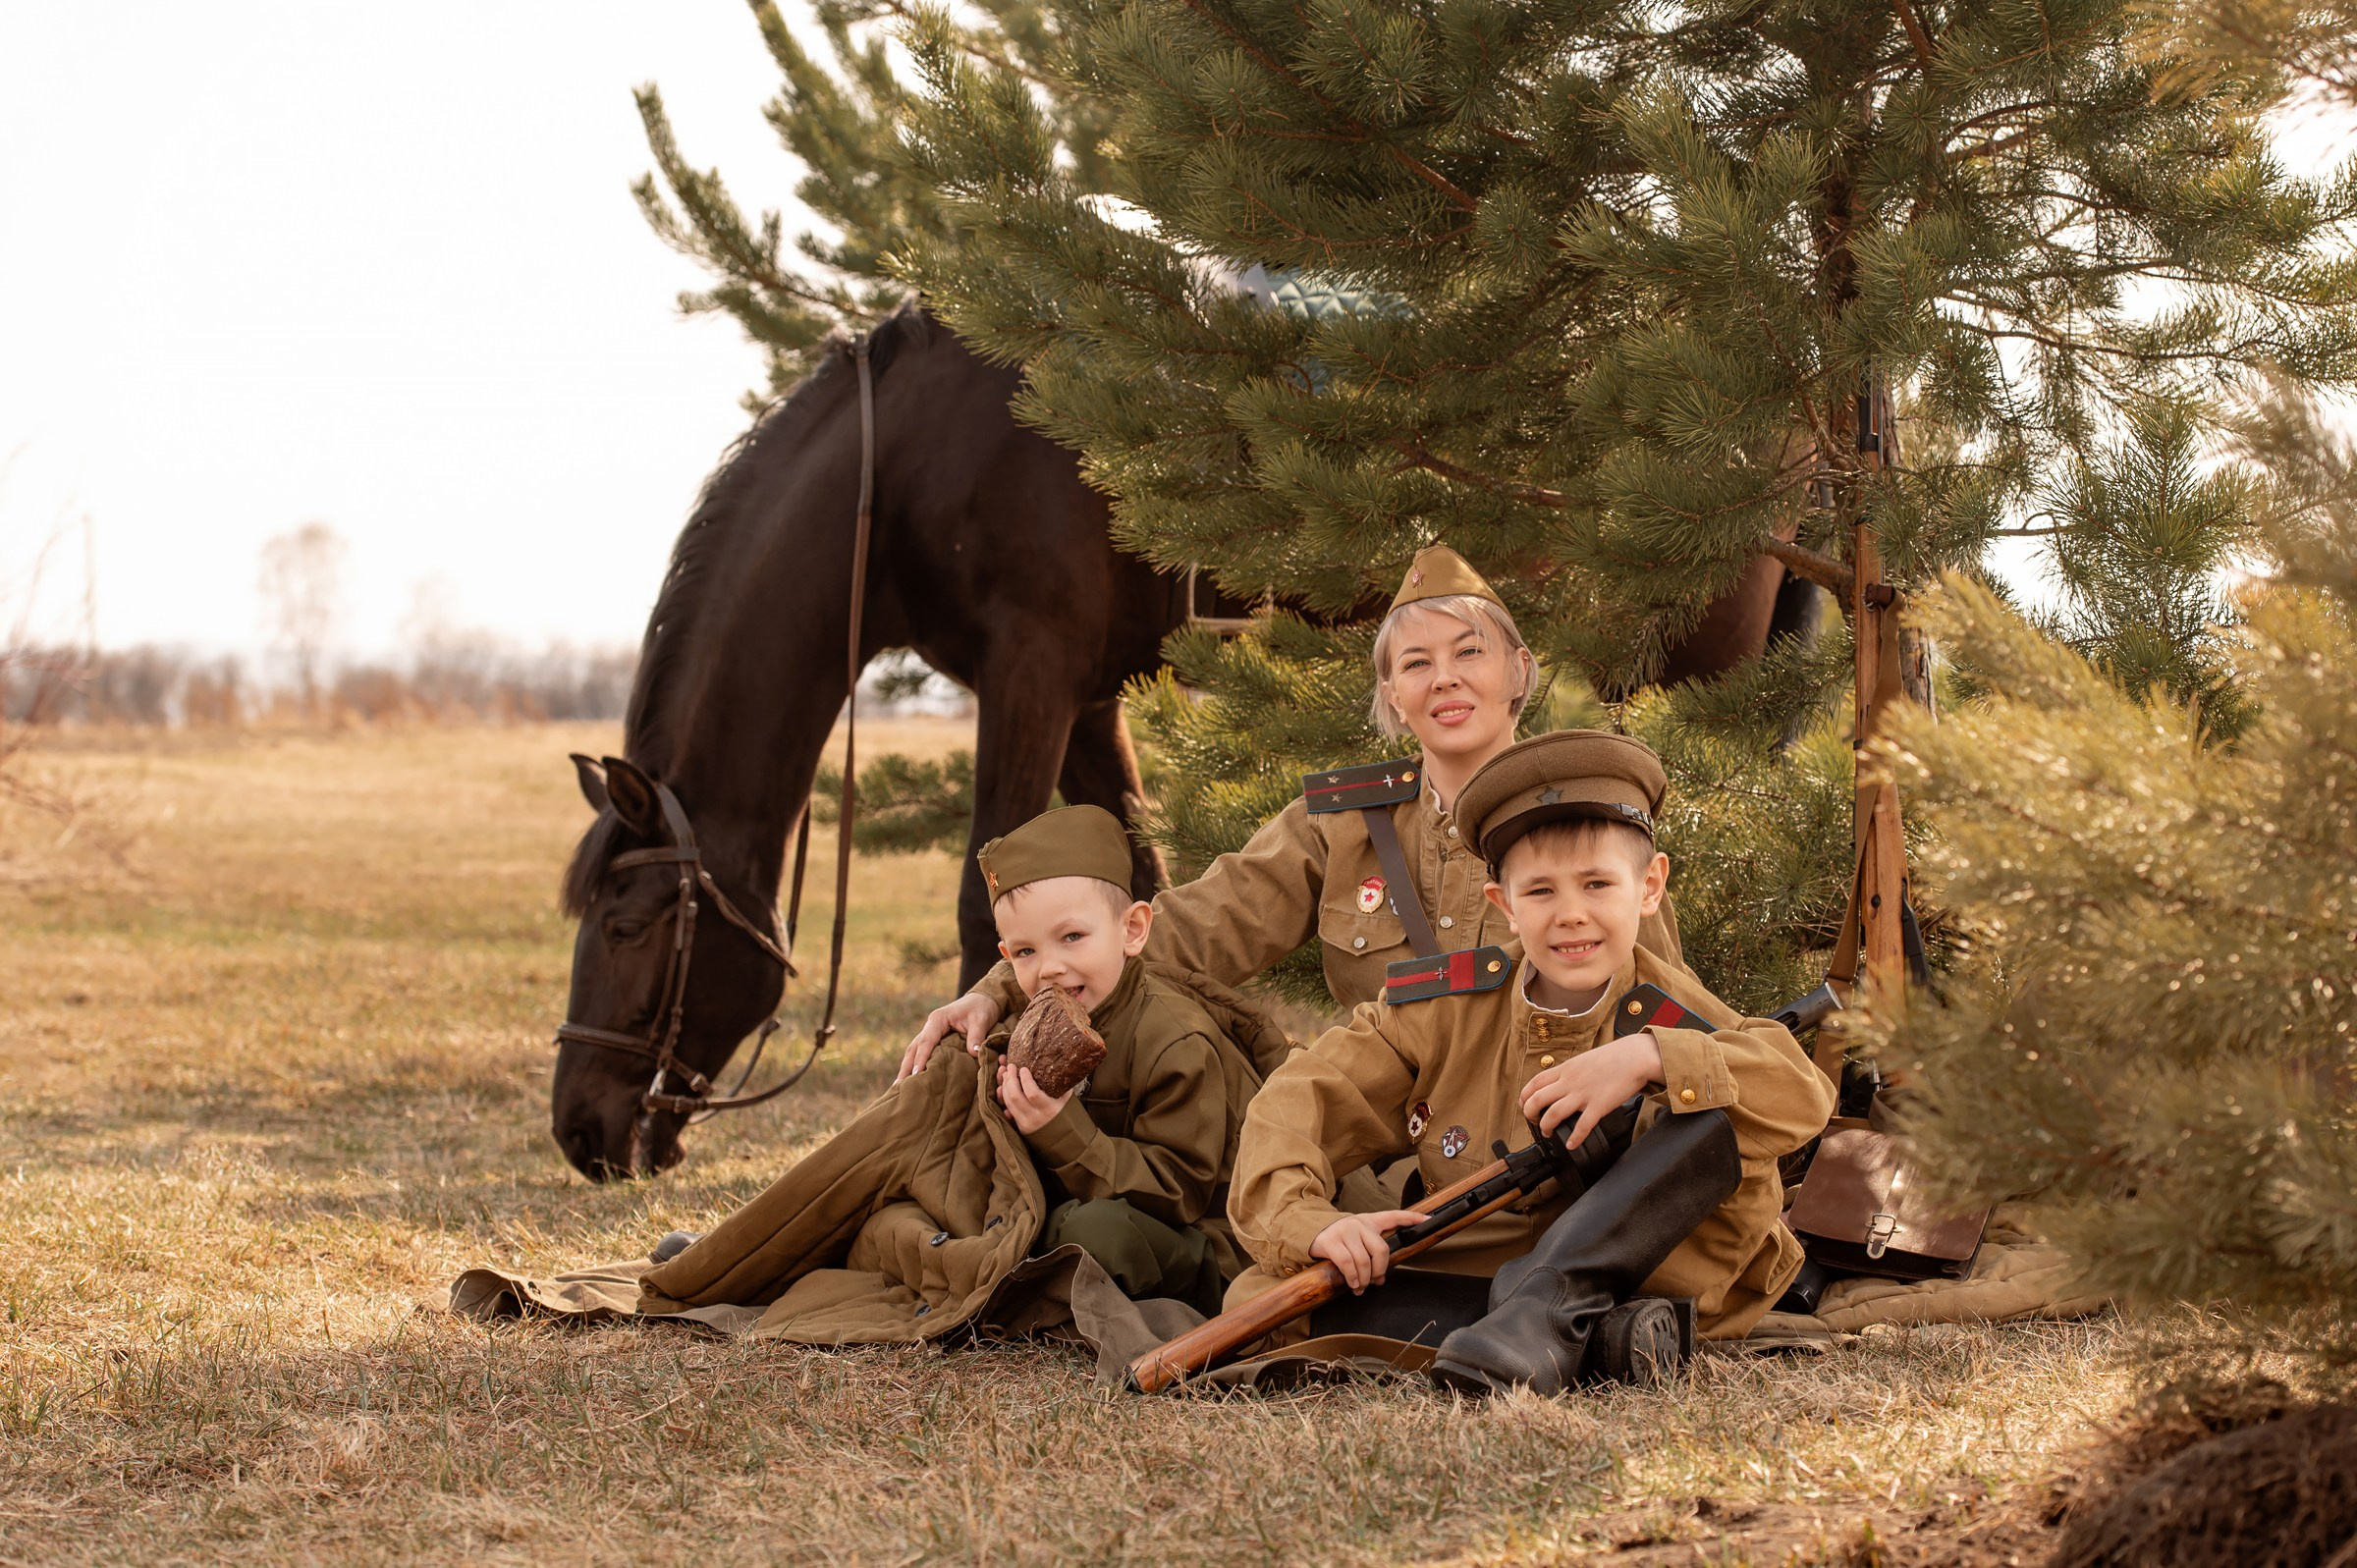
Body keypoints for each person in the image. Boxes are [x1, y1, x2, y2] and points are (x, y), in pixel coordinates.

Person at [901, 544, 1684, 1078]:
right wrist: (1002, 987)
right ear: (1393, 698)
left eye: (1470, 652)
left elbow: (1666, 1007)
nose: (1444, 679)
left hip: (1546, 1125)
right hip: (1382, 1141)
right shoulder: (1344, 821)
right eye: (1416, 663)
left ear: (1518, 671)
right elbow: (1191, 930)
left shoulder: (1585, 820)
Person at [1224, 730, 1836, 1395]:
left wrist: (1648, 1053)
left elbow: (1802, 1095)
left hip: (1659, 1268)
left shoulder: (1664, 1003)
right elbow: (1299, 1101)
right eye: (1540, 891)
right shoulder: (1445, 1006)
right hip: (1491, 1262)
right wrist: (1319, 1226)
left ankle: (1545, 1322)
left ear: (1650, 886)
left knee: (1708, 1108)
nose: (1572, 914)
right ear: (1504, 905)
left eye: (1598, 883)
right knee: (1262, 1300)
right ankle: (1592, 1340)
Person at [969, 803, 1262, 1314]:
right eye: (1025, 952)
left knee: (1094, 1231)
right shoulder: (1040, 1022)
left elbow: (1180, 1193)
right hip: (1106, 1197)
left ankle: (1040, 1257)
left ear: (1132, 930)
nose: (1049, 969)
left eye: (1072, 937)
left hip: (1206, 1238)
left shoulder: (1175, 1039)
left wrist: (1059, 1129)